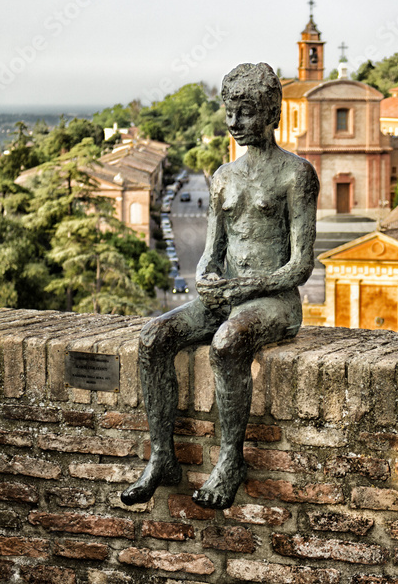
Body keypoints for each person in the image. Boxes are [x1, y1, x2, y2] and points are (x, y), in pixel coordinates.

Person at [121, 63, 319, 509]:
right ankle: (161, 457)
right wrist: (207, 277)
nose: (235, 122)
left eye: (246, 112)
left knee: (228, 343)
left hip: (274, 302)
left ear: (271, 115)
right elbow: (212, 249)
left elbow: (301, 265)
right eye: (230, 111)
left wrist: (248, 286)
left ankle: (230, 459)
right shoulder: (224, 176)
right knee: (153, 336)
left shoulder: (296, 174)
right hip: (227, 296)